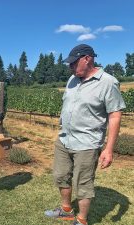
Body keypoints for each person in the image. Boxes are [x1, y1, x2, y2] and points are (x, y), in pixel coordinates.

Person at [44, 44, 126, 225]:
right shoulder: (72, 80)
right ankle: (66, 210)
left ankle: (81, 220)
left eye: (73, 63)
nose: (70, 67)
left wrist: (109, 149)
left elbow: (114, 115)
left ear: (87, 58)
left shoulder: (108, 82)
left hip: (87, 144)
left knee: (83, 184)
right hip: (64, 139)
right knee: (60, 176)